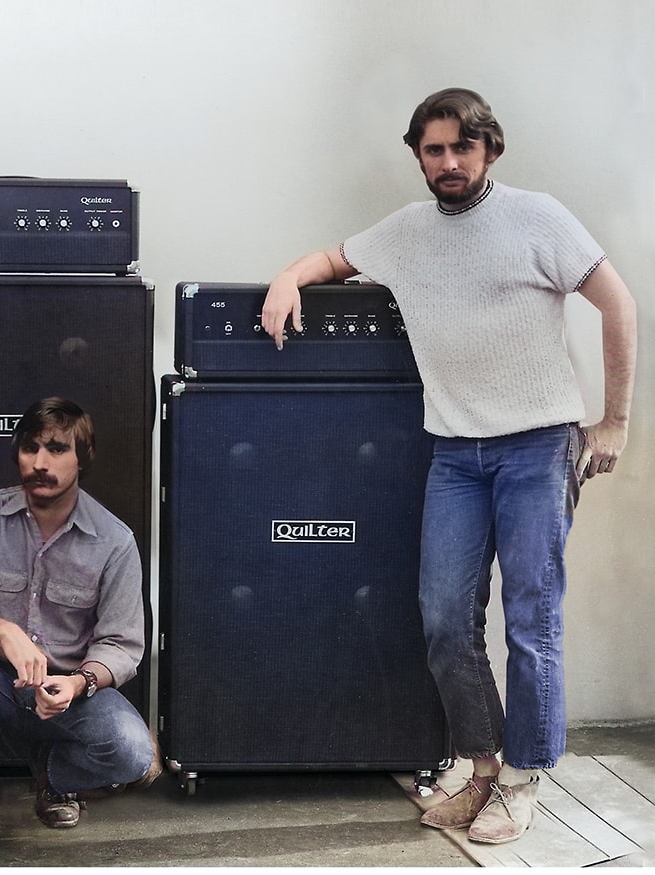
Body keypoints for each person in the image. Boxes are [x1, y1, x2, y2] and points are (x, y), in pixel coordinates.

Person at [261, 87, 637, 844]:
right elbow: (334, 257)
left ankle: (526, 782)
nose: (449, 162)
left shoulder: (540, 217)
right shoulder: (405, 232)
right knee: (443, 619)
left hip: (538, 446)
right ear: (419, 157)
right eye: (434, 150)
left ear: (489, 148)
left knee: (532, 620)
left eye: (462, 147)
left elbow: (619, 304)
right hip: (456, 454)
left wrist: (616, 422)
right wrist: (286, 279)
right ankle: (484, 768)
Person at [0, 397, 161, 857]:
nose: (39, 463)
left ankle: (53, 777)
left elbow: (123, 645)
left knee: (133, 753)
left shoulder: (115, 540)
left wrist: (78, 683)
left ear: (83, 457)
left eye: (57, 449)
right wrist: (4, 632)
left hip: (63, 696)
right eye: (30, 447)